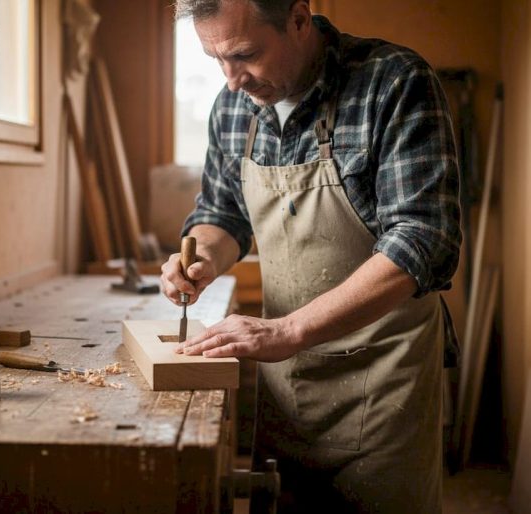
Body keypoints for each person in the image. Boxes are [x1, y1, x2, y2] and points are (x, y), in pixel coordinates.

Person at [160, 1, 461, 512]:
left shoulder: (393, 83)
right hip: (289, 384)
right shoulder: (232, 107)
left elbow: (422, 240)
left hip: (383, 384)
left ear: (299, 20)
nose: (232, 80)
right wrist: (204, 256)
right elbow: (222, 213)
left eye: (245, 54)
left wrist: (287, 331)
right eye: (216, 60)